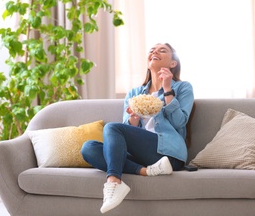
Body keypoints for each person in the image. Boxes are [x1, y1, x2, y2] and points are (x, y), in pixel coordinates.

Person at [80, 43, 194, 214]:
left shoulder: (183, 87)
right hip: (141, 156)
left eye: (162, 50)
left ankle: (113, 182)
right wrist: (134, 120)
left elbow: (179, 123)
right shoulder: (134, 94)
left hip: (168, 154)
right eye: (152, 50)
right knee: (88, 148)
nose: (155, 51)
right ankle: (145, 172)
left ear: (173, 63)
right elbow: (123, 134)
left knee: (112, 128)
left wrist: (168, 89)